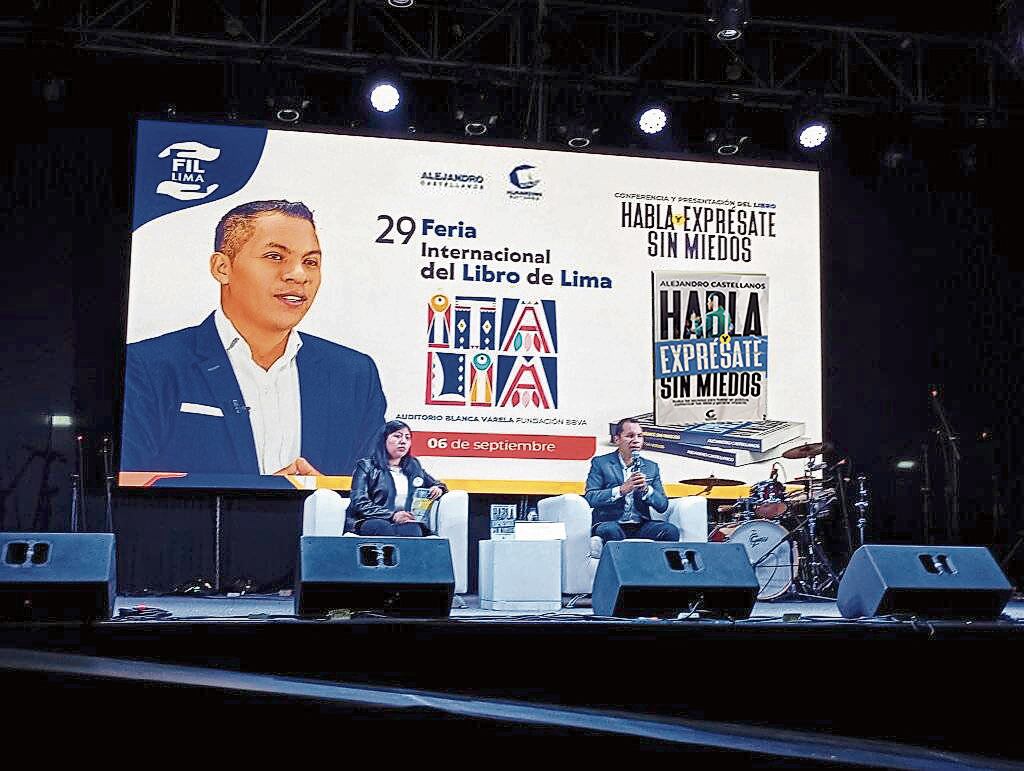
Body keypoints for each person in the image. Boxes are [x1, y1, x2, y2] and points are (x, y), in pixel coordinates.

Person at [121, 200, 386, 476]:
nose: (298, 275)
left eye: (310, 262)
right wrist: (263, 497)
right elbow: (125, 488)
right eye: (275, 257)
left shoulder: (353, 374)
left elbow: (375, 495)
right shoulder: (147, 367)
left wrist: (327, 500)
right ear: (222, 268)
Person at [584, 418, 678, 543]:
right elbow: (590, 498)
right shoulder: (601, 463)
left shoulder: (651, 467)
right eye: (630, 436)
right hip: (610, 523)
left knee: (670, 530)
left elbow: (663, 506)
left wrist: (647, 490)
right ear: (617, 439)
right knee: (610, 531)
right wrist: (621, 490)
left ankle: (661, 563)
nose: (636, 440)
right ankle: (623, 563)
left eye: (639, 436)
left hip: (640, 525)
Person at [348, 420, 447, 536]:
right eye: (397, 436)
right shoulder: (366, 466)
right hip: (370, 520)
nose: (403, 441)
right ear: (384, 440)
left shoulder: (413, 466)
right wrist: (392, 515)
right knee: (382, 527)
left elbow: (437, 484)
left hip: (405, 522)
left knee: (413, 529)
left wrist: (438, 488)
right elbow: (359, 502)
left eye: (407, 438)